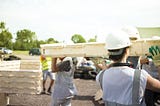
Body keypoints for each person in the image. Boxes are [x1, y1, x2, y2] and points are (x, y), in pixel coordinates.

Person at [96, 30, 160, 106]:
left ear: (108, 52)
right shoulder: (139, 76)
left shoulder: (100, 76)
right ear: (127, 50)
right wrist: (158, 63)